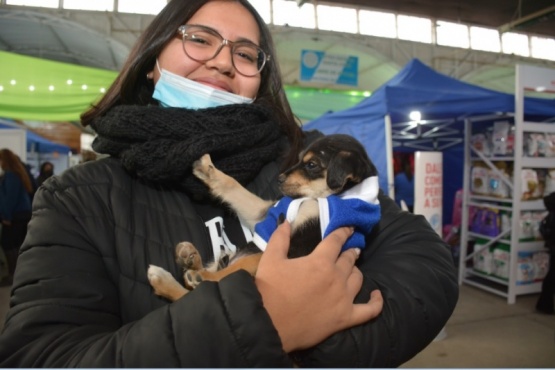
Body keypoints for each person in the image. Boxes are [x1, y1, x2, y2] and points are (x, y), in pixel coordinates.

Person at [0, 0, 458, 367]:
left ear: (260, 81)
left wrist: (316, 339)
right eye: (199, 39)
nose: (221, 62)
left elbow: (426, 269)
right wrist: (268, 325)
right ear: (151, 63)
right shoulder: (77, 198)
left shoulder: (303, 156)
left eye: (244, 53)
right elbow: (42, 356)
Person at [0, 148, 33, 285]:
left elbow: (10, 199)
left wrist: (6, 216)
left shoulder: (11, 175)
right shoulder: (18, 173)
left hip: (15, 216)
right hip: (21, 214)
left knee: (8, 244)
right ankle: (18, 274)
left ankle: (14, 275)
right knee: (16, 245)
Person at [536, 192, 555, 314]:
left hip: (553, 246)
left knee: (551, 276)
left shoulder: (550, 215)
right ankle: (544, 304)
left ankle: (544, 304)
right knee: (552, 277)